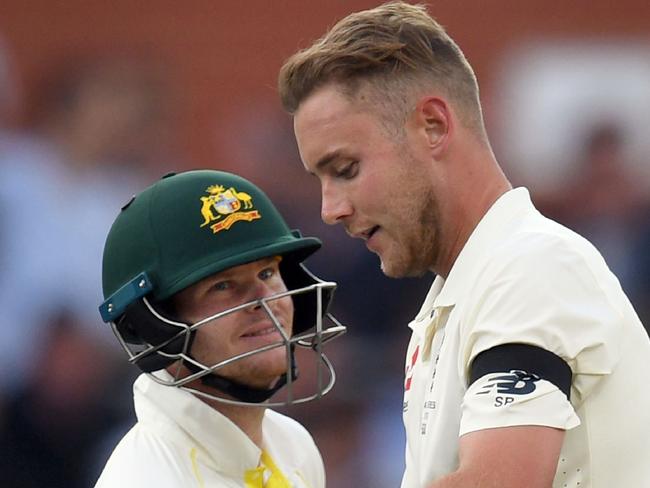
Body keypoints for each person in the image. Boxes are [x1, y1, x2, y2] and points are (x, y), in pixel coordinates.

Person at [278, 2, 650, 487]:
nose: (331, 209)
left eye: (346, 169)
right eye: (320, 180)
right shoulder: (466, 290)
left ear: (433, 125)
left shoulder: (529, 266)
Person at [94, 169, 346, 487]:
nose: (264, 300)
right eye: (223, 285)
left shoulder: (293, 445)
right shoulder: (149, 479)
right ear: (154, 326)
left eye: (268, 273)